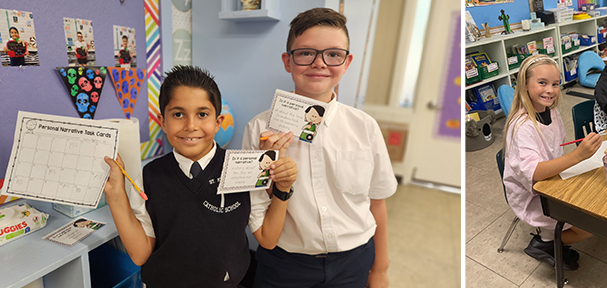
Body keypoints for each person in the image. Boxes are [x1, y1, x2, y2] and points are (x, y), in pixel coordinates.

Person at [242, 7, 397, 288]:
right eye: (305, 53)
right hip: (284, 264)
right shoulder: (259, 130)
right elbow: (258, 209)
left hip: (355, 260)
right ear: (287, 62)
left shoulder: (364, 126)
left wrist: (381, 268)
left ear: (347, 62)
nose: (319, 63)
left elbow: (377, 201)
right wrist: (273, 172)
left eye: (333, 54)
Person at [102, 65, 298, 288]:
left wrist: (282, 189)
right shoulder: (149, 176)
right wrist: (116, 194)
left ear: (217, 122)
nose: (191, 126)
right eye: (178, 114)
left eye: (202, 114)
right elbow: (139, 255)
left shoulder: (244, 168)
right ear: (163, 122)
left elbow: (268, 238)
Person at [503, 54, 601, 271]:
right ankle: (546, 242)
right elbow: (535, 172)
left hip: (553, 180)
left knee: (596, 201)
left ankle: (552, 238)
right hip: (532, 192)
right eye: (542, 83)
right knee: (590, 226)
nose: (550, 90)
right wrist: (577, 156)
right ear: (525, 84)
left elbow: (555, 151)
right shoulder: (522, 126)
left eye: (555, 84)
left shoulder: (552, 112)